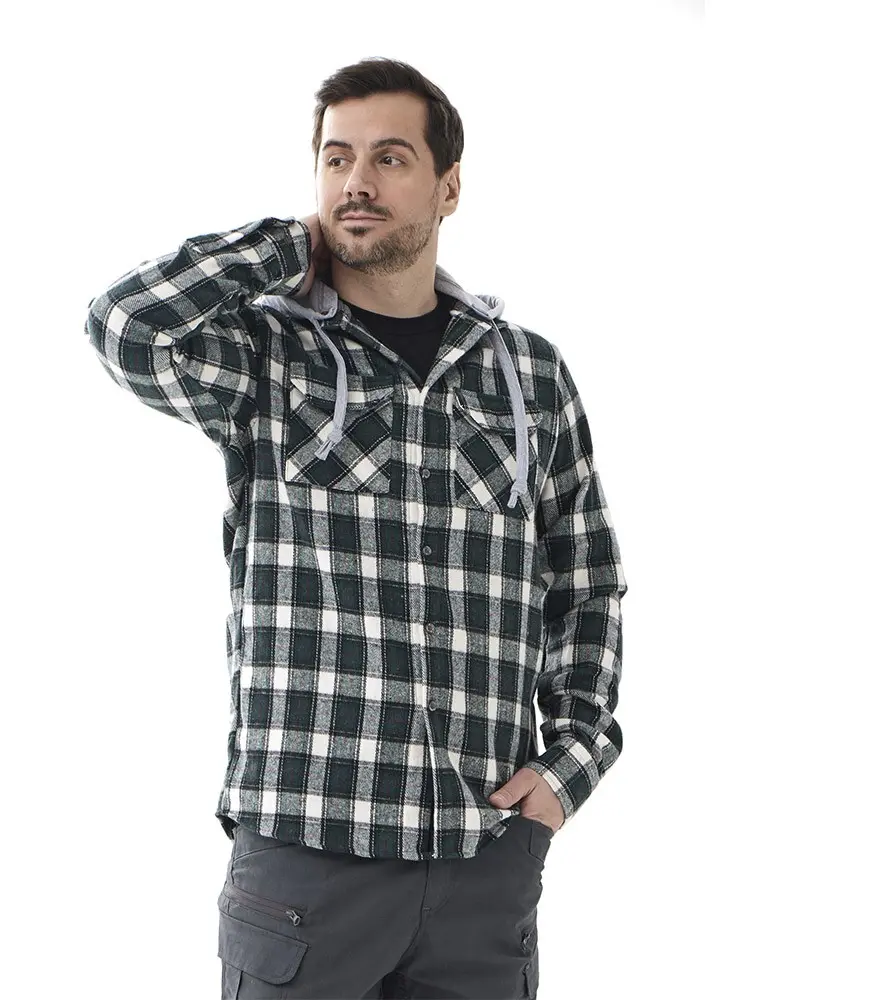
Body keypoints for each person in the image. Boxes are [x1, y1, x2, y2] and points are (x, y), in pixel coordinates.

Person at [85, 56, 627, 1000]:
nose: (357, 183)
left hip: (482, 862)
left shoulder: (529, 375)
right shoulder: (265, 351)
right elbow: (125, 326)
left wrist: (573, 759)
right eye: (336, 160)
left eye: (389, 158)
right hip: (305, 865)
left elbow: (585, 580)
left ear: (449, 186)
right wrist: (284, 247)